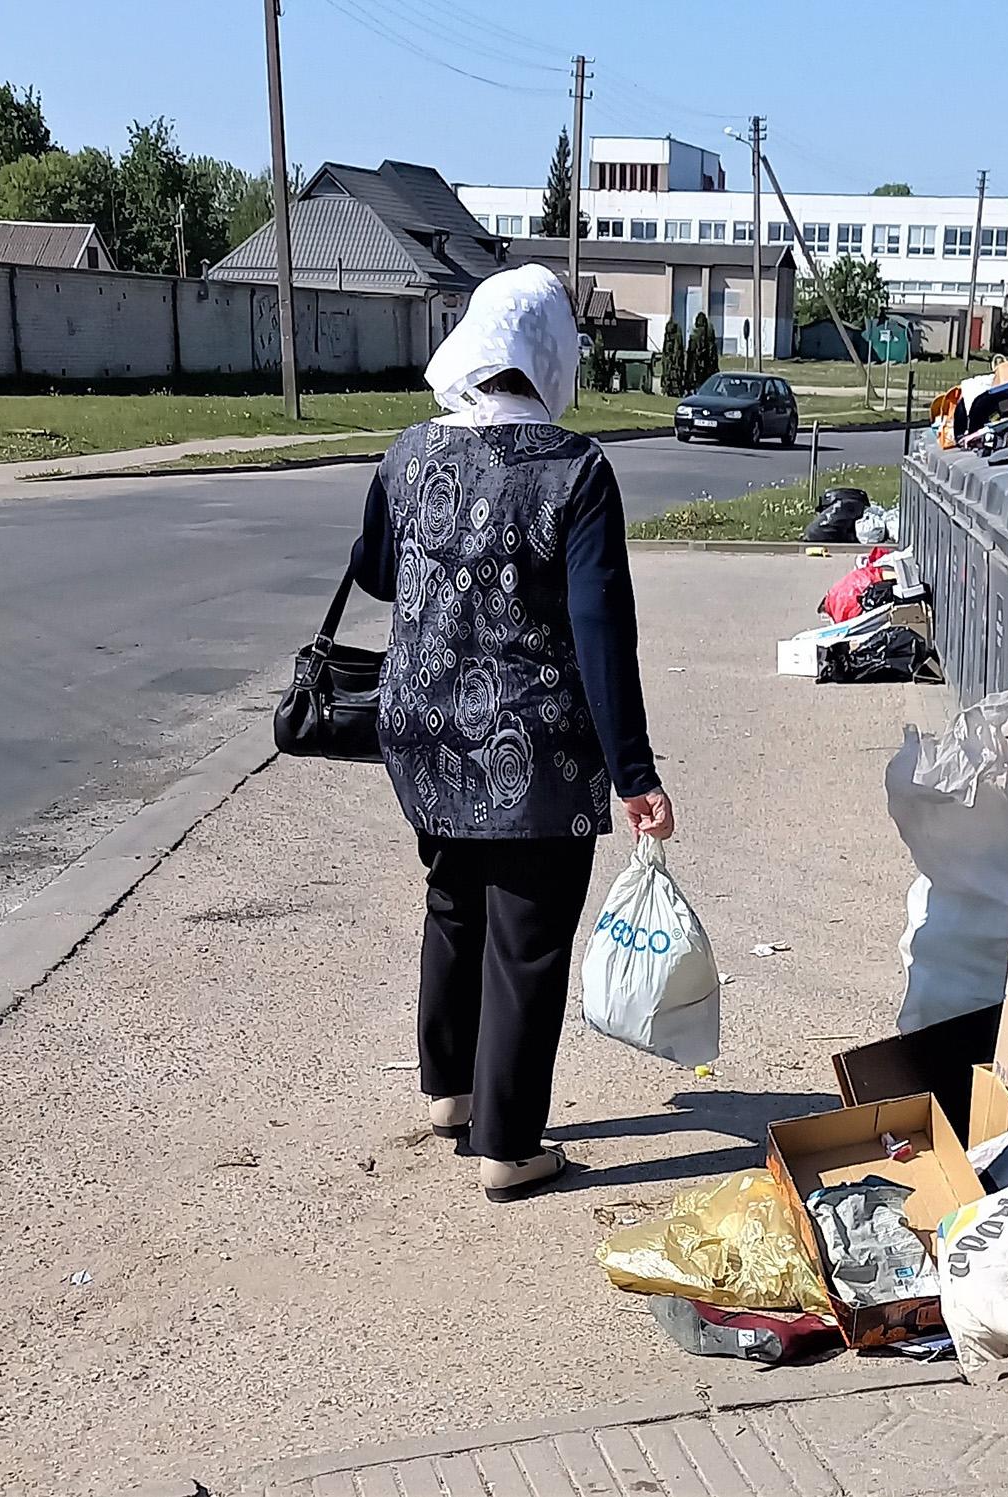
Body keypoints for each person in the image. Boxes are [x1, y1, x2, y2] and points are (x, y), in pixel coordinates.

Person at [351, 264, 673, 1202]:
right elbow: (601, 629)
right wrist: (636, 773)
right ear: (548, 357)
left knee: (453, 899)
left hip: (418, 729)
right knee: (526, 936)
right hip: (530, 748)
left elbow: (375, 568)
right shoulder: (575, 469)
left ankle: (451, 1092)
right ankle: (510, 1144)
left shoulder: (408, 453)